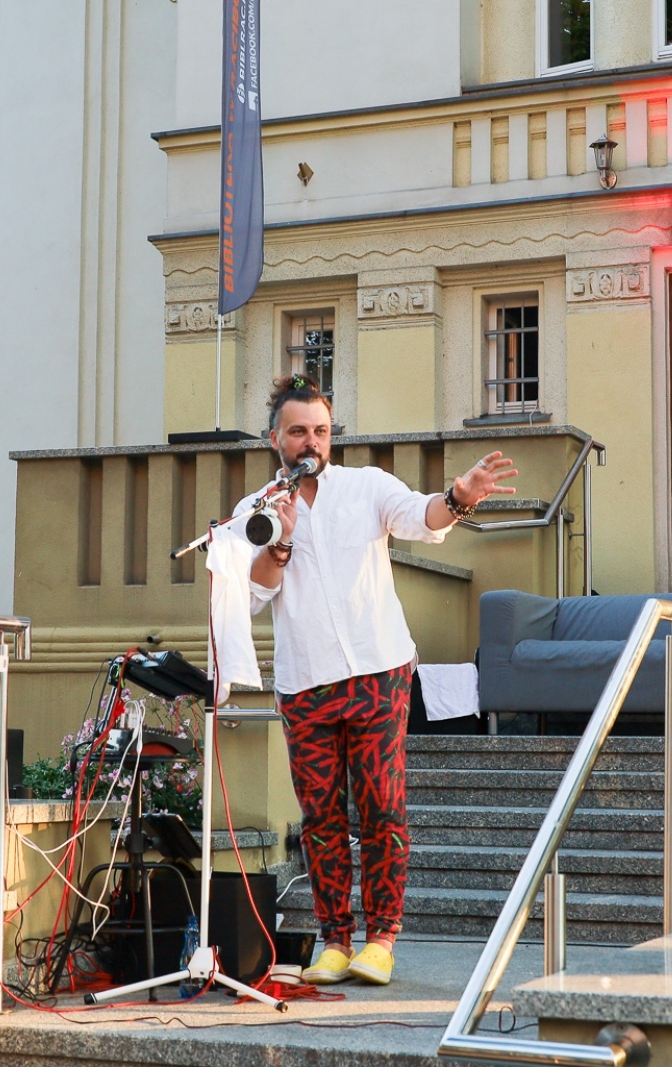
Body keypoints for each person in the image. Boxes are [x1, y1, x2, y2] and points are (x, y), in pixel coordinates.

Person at [237, 375, 517, 985]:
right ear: (275, 438)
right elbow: (253, 593)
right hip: (304, 681)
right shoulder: (254, 510)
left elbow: (422, 516)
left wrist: (461, 496)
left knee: (382, 808)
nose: (311, 441)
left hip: (376, 670)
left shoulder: (366, 486)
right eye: (298, 431)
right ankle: (335, 940)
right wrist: (279, 538)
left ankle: (381, 939)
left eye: (321, 430)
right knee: (320, 815)